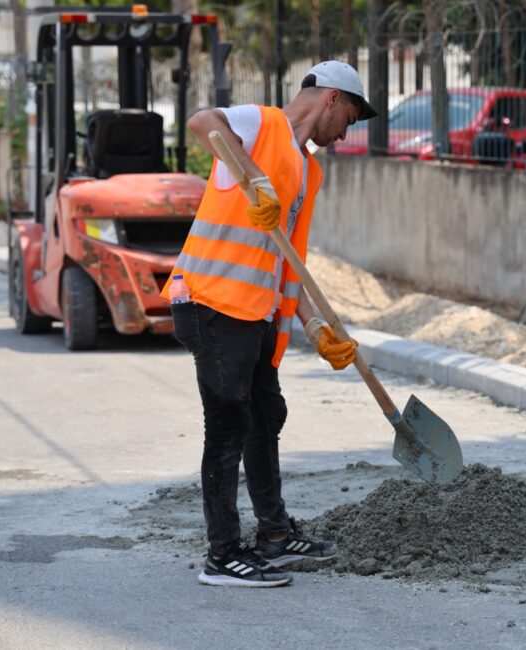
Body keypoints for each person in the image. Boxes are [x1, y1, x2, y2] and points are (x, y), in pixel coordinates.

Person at [163, 61, 377, 588]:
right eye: (348, 117)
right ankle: (223, 556)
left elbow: (289, 263)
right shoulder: (261, 124)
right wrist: (251, 175)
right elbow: (200, 120)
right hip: (211, 302)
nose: (346, 132)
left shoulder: (308, 170)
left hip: (253, 313)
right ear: (330, 98)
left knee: (266, 417)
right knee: (230, 424)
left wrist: (314, 325)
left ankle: (275, 536)